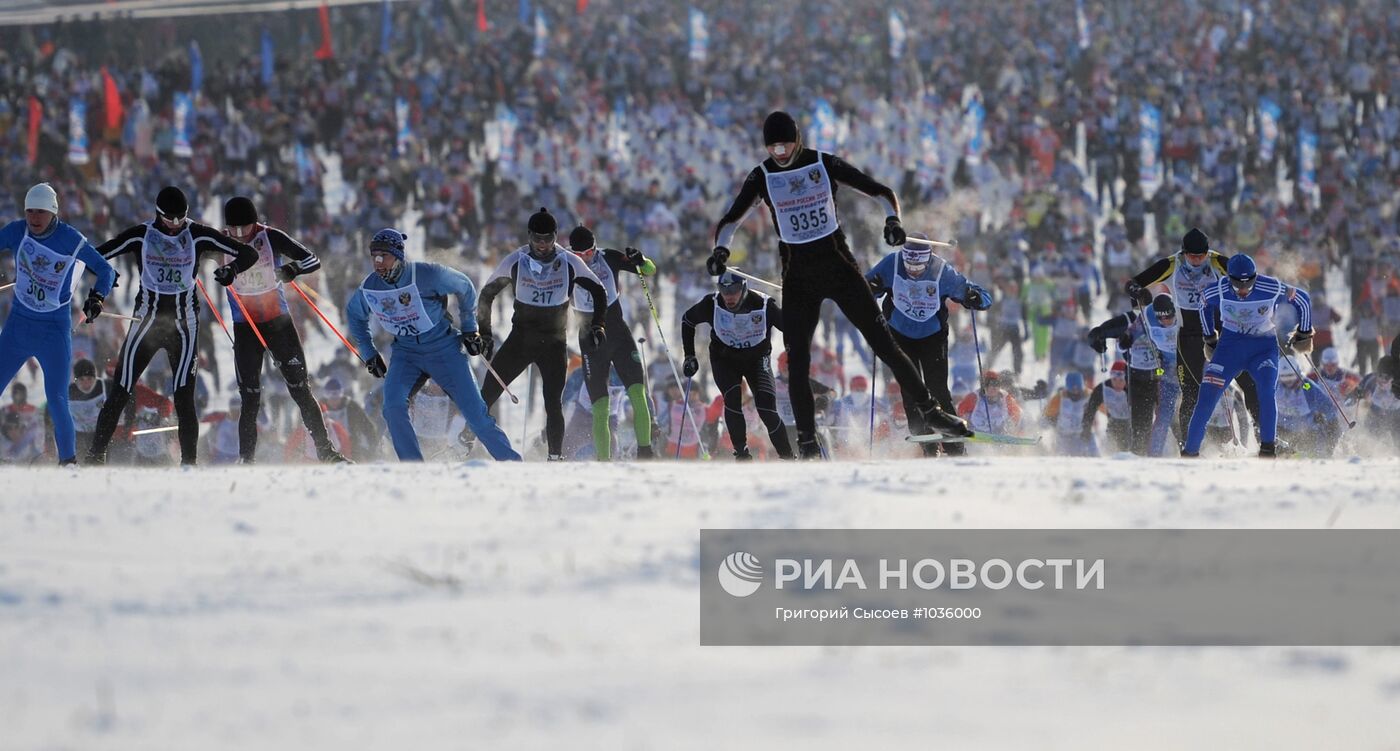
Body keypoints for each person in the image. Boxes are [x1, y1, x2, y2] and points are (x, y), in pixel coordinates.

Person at [709, 110, 968, 458]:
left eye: (785, 144)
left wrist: (893, 221)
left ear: (797, 140)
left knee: (886, 345)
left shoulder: (821, 163)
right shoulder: (763, 176)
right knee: (797, 361)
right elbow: (730, 220)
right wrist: (720, 250)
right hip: (798, 278)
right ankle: (807, 440)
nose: (780, 153)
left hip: (839, 268)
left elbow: (881, 192)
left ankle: (932, 411)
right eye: (773, 147)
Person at [86, 186, 259, 465]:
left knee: (183, 397)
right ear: (158, 213)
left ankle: (188, 464)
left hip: (184, 326)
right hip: (147, 322)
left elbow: (248, 254)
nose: (176, 225)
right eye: (170, 219)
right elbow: (94, 258)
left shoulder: (197, 233)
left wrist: (231, 271)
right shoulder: (142, 234)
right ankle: (95, 456)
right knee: (121, 389)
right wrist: (100, 289)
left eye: (181, 219)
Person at [345, 228, 519, 462]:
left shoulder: (426, 274)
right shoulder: (370, 286)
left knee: (476, 416)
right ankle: (413, 466)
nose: (377, 263)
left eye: (383, 256)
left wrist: (469, 328)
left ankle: (511, 463)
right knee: (393, 407)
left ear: (397, 255)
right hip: (406, 354)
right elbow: (354, 314)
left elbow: (465, 286)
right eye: (373, 256)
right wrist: (369, 353)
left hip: (444, 349)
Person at [220, 196, 346, 463]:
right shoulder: (217, 241)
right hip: (246, 327)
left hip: (278, 323)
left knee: (300, 389)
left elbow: (313, 260)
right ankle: (246, 460)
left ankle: (326, 452)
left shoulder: (270, 237)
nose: (241, 236)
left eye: (246, 229)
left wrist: (292, 268)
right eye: (235, 231)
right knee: (250, 396)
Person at [477, 209, 608, 460]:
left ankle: (555, 457)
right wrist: (485, 334)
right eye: (538, 239)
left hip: (554, 343)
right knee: (487, 394)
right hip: (521, 340)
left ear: (555, 237)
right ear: (529, 237)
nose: (543, 245)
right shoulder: (517, 259)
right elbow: (486, 294)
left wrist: (598, 325)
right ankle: (466, 440)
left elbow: (599, 291)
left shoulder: (569, 260)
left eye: (548, 239)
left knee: (553, 404)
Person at [0, 183, 116, 465]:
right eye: (30, 211)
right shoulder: (18, 231)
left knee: (57, 399)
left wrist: (96, 299)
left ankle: (68, 463)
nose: (34, 218)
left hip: (53, 331)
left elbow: (106, 271)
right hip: (18, 326)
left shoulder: (70, 239)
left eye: (40, 212)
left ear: (53, 212)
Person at [866, 232, 992, 456]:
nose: (913, 271)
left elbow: (982, 296)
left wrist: (974, 297)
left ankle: (955, 446)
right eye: (910, 266)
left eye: (919, 266)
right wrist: (872, 287)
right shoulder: (892, 263)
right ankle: (927, 445)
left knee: (938, 390)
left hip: (932, 337)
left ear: (929, 259)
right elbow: (860, 288)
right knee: (910, 390)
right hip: (900, 335)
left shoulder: (942, 271)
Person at [1126, 228, 1259, 437]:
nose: (1197, 260)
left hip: (1221, 331)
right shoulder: (1172, 264)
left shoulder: (1216, 262)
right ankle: (1188, 446)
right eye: (1192, 256)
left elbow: (1250, 277)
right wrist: (1139, 292)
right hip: (1189, 335)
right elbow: (1133, 283)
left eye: (1201, 255)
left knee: (1248, 382)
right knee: (1190, 393)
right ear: (1183, 253)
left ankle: (1266, 438)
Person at [1181, 254, 1313, 458]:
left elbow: (1303, 299)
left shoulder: (1271, 287)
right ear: (1229, 278)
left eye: (1248, 284)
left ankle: (1268, 448)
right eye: (1237, 285)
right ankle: (1190, 453)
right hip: (1228, 350)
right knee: (1206, 398)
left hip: (1262, 349)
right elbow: (1203, 304)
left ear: (1255, 277)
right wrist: (1210, 339)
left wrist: (1303, 334)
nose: (1243, 290)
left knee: (1267, 393)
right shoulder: (1218, 289)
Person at [680, 271, 793, 461]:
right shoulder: (712, 303)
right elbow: (687, 320)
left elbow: (791, 327)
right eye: (724, 291)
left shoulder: (764, 305)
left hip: (757, 360)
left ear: (744, 288)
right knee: (732, 399)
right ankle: (741, 454)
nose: (729, 296)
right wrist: (689, 355)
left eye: (734, 291)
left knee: (766, 406)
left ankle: (788, 456)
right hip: (725, 359)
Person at [565, 225, 656, 460]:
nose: (585, 258)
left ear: (595, 247)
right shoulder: (564, 264)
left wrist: (641, 259)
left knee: (637, 392)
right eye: (579, 255)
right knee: (600, 408)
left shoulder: (608, 257)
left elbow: (649, 270)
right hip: (590, 341)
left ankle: (645, 452)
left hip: (617, 333)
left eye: (589, 252)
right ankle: (604, 462)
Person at [1087, 293, 1182, 455]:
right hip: (1139, 377)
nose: (1143, 315)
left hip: (1160, 374)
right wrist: (1099, 338)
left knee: (1170, 416)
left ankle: (1181, 449)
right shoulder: (1130, 320)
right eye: (1138, 311)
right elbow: (1105, 332)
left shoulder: (1157, 317)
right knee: (1142, 422)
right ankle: (1139, 453)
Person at [1042, 371, 1098, 456]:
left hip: (1084, 435)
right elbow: (1046, 416)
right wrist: (1047, 423)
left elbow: (1105, 408)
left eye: (1078, 389)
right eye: (1072, 389)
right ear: (1068, 387)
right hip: (1064, 437)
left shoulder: (1089, 395)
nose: (1075, 392)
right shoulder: (1059, 398)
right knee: (1061, 459)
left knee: (1094, 456)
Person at [1082, 361, 1132, 453]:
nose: (1117, 384)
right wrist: (1086, 429)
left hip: (1131, 424)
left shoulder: (1132, 388)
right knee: (1113, 448)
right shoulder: (1103, 389)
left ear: (1127, 379)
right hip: (1113, 423)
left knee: (1130, 447)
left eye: (1121, 380)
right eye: (1114, 380)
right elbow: (1090, 409)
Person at [956, 370, 1024, 437]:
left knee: (1014, 418)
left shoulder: (1005, 398)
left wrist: (1017, 433)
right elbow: (959, 411)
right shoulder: (974, 398)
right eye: (989, 384)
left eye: (996, 384)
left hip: (1000, 433)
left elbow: (1017, 414)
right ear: (983, 386)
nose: (993, 388)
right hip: (976, 432)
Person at [69, 359, 107, 458]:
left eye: (89, 379)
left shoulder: (105, 387)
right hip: (78, 436)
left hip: (100, 434)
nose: (86, 384)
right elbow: (52, 413)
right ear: (75, 380)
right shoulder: (68, 392)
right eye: (81, 380)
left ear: (95, 378)